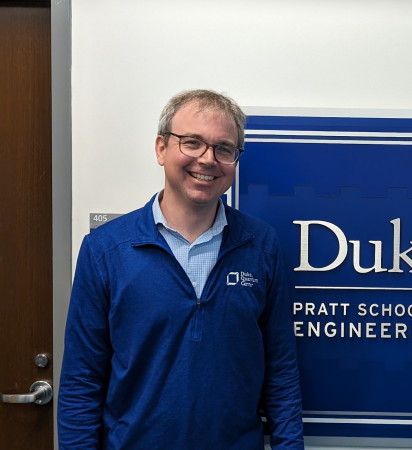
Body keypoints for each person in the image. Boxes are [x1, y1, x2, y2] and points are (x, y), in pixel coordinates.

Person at [58, 89, 304, 449]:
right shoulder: (106, 251)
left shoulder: (260, 244)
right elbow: (82, 381)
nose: (208, 160)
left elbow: (281, 370)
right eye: (192, 143)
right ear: (161, 148)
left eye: (224, 149)